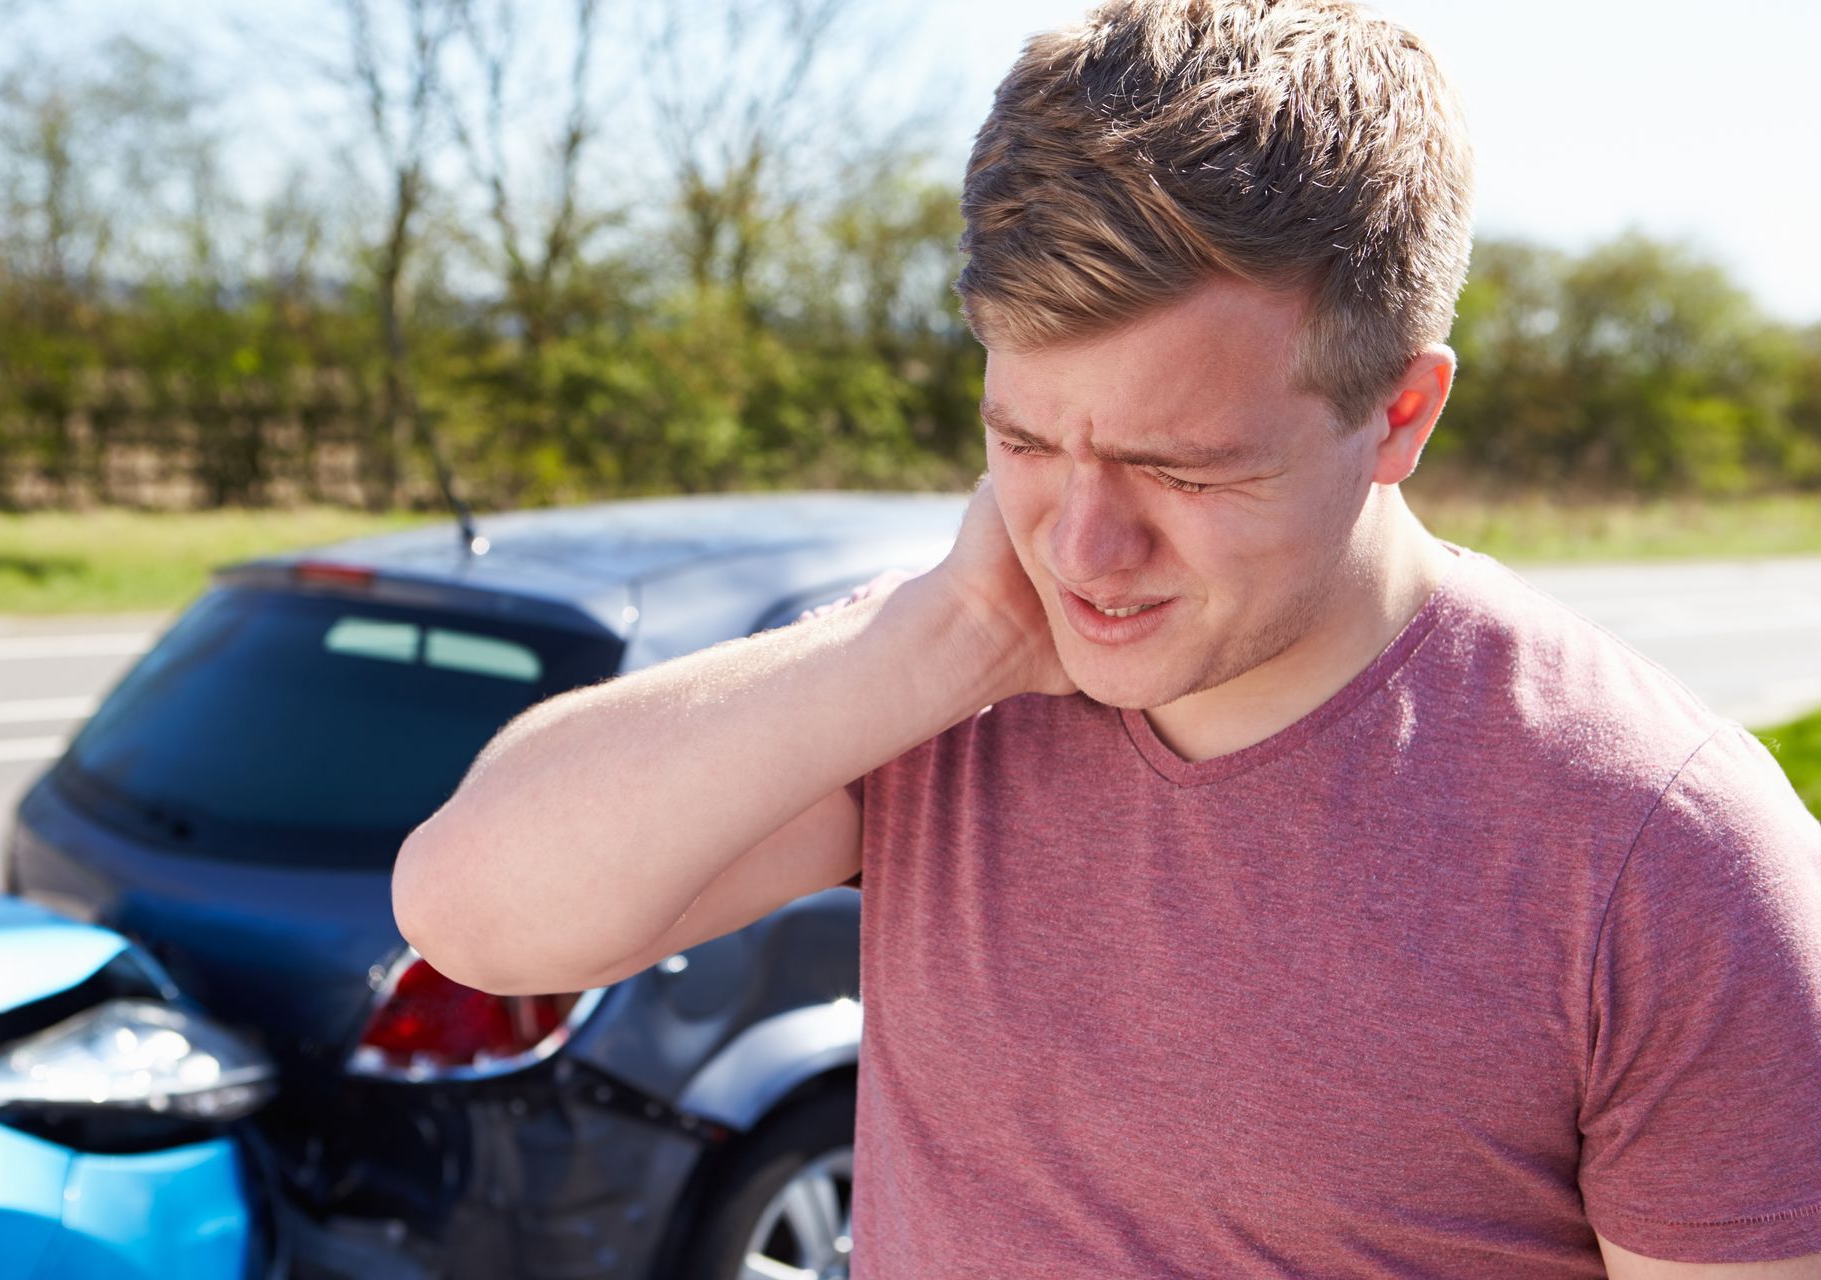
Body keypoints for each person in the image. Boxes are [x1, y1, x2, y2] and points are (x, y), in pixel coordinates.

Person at [390, 0, 1821, 1275]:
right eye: (1023, 440)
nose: (1081, 551)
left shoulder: (1663, 854)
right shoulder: (952, 683)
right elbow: (474, 918)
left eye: (1183, 469)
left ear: (1400, 413)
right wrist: (936, 641)